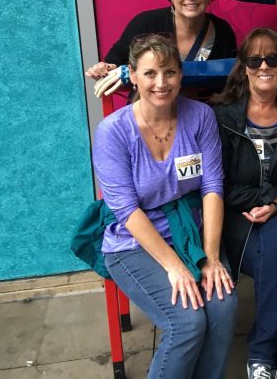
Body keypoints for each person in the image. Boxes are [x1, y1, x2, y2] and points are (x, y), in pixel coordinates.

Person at [92, 34, 237, 379]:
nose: (161, 83)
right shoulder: (113, 132)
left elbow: (212, 188)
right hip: (134, 242)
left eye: (170, 72)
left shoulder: (200, 116)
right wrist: (174, 267)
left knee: (224, 307)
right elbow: (127, 211)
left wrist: (211, 257)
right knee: (187, 322)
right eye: (150, 73)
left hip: (192, 230)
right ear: (133, 76)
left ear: (180, 75)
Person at [211, 28, 277, 379]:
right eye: (254, 60)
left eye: (273, 58)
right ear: (243, 67)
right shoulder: (222, 116)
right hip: (237, 216)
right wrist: (272, 195)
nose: (264, 66)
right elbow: (217, 186)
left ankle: (262, 359)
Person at [86, 0, 237, 96]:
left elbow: (232, 81)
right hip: (149, 112)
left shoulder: (223, 31)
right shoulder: (145, 24)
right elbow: (114, 63)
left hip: (203, 113)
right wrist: (104, 69)